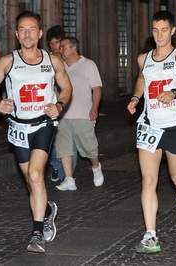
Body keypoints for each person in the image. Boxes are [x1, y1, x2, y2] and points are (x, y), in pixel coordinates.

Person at [0, 10, 72, 253]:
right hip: (18, 127)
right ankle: (46, 211)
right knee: (31, 182)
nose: (27, 34)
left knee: (35, 175)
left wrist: (59, 105)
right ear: (16, 34)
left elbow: (66, 87)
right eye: (22, 29)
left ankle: (36, 234)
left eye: (32, 29)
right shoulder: (7, 61)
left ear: (40, 33)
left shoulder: (52, 61)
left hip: (44, 123)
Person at [127, 10, 176, 253]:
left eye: (164, 30)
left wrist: (175, 93)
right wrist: (135, 98)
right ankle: (150, 235)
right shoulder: (144, 58)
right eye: (155, 30)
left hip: (175, 126)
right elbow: (143, 80)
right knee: (148, 180)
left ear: (173, 30)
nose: (159, 35)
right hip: (149, 125)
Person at [54, 36, 104, 191]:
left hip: (82, 113)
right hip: (62, 115)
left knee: (89, 147)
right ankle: (69, 179)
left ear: (73, 49)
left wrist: (95, 108)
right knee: (64, 148)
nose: (60, 50)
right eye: (60, 48)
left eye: (63, 47)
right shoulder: (59, 66)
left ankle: (96, 167)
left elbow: (97, 88)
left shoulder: (88, 64)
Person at [46, 25, 78, 182]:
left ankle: (66, 172)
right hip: (50, 105)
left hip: (67, 105)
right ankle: (56, 165)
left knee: (69, 138)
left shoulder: (68, 60)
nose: (55, 46)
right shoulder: (46, 60)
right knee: (51, 139)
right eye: (51, 43)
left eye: (57, 42)